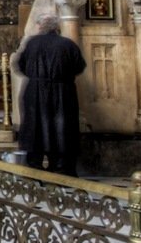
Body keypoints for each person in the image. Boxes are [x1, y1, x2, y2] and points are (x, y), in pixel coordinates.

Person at [15, 16, 87, 176]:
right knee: (62, 128)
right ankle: (61, 167)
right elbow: (79, 67)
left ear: (42, 27)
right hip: (62, 92)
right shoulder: (68, 45)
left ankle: (35, 166)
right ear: (57, 28)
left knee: (36, 127)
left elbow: (20, 65)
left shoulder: (32, 43)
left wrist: (38, 77)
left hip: (36, 91)